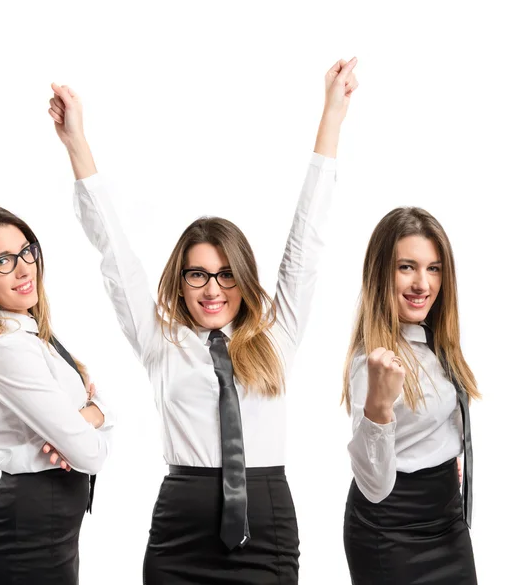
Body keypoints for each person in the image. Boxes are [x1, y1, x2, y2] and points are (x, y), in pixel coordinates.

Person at [48, 57, 358, 584]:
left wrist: (331, 116)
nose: (213, 289)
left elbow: (306, 241)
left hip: (266, 521)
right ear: (181, 280)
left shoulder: (275, 336)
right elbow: (114, 252)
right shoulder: (160, 342)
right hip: (181, 529)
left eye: (225, 275)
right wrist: (76, 144)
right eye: (198, 275)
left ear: (241, 277)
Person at [0, 204, 115, 584]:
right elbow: (91, 454)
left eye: (26, 251)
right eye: (3, 261)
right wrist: (87, 422)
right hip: (26, 536)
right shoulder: (5, 348)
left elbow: (102, 408)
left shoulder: (30, 333)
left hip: (49, 528)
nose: (24, 268)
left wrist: (91, 415)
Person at [342, 207, 480, 584]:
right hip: (390, 532)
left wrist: (443, 455)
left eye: (433, 268)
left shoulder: (436, 340)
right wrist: (379, 407)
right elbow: (373, 484)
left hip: (447, 520)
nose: (423, 283)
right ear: (381, 273)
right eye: (407, 267)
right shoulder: (370, 364)